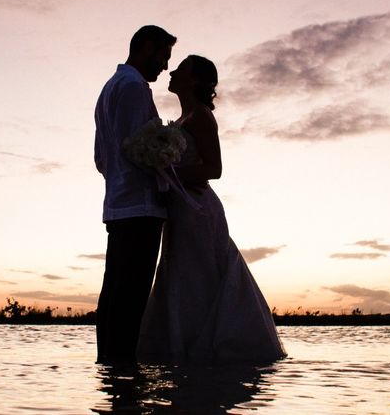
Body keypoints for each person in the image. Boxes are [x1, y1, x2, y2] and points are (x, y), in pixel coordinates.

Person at [136, 55, 286, 365]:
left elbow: (213, 169)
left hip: (198, 209)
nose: (172, 72)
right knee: (179, 275)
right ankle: (181, 350)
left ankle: (209, 350)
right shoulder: (181, 120)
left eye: (181, 69)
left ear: (194, 80)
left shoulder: (202, 116)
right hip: (178, 209)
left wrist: (166, 172)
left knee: (200, 275)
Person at [94, 24, 176, 363]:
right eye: (163, 56)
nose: (165, 66)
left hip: (120, 203)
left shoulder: (111, 88)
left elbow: (102, 157)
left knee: (115, 291)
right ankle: (122, 371)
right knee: (130, 295)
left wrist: (117, 179)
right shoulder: (132, 87)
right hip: (140, 205)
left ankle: (110, 370)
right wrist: (164, 180)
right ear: (146, 47)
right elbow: (137, 148)